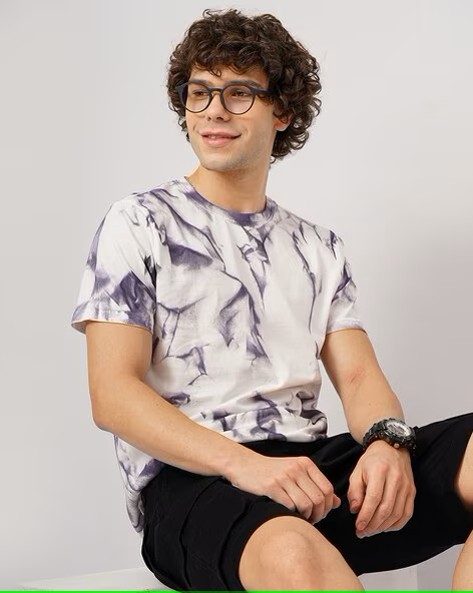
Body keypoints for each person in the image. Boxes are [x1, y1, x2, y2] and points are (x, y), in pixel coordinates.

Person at [71, 8, 473, 591]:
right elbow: (112, 395)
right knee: (292, 550)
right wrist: (246, 466)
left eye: (239, 93)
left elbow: (358, 378)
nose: (213, 110)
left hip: (308, 475)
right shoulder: (139, 222)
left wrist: (389, 442)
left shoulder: (318, 246)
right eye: (200, 92)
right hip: (193, 484)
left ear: (282, 111)